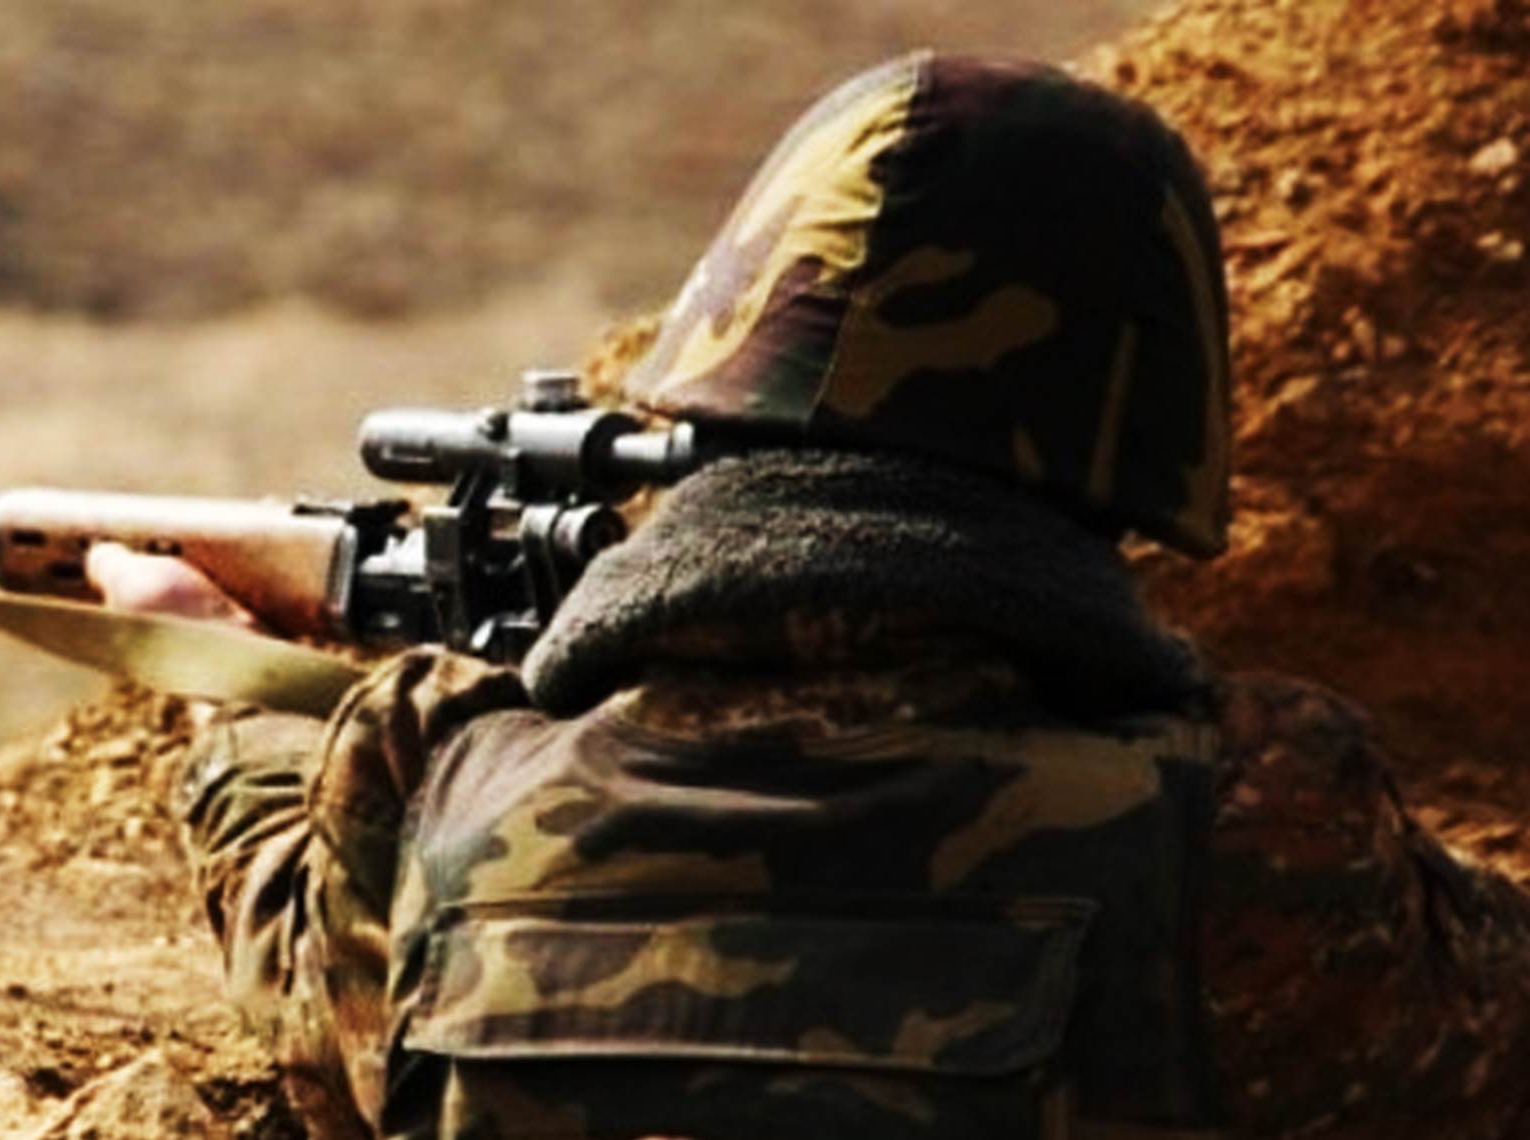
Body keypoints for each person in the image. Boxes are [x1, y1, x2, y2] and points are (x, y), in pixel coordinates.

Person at [87, 52, 1530, 1140]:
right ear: (1142, 434)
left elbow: (296, 955)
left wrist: (222, 670)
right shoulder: (1252, 825)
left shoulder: (425, 780)